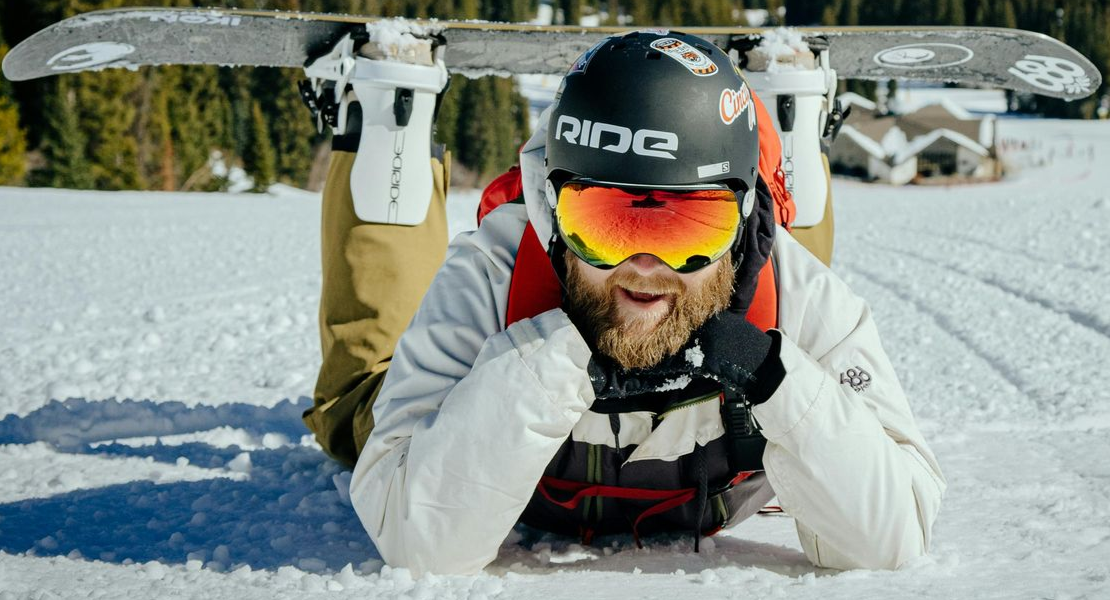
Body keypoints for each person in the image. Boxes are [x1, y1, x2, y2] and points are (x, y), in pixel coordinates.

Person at [301, 30, 945, 577]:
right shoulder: (494, 278)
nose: (646, 266)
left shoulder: (801, 301)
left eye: (691, 227)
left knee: (800, 349)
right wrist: (545, 366)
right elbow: (420, 545)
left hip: (723, 424)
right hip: (535, 452)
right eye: (607, 221)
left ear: (742, 221)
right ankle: (391, 113)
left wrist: (778, 381)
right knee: (358, 402)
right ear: (554, 212)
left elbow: (892, 537)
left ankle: (786, 112)